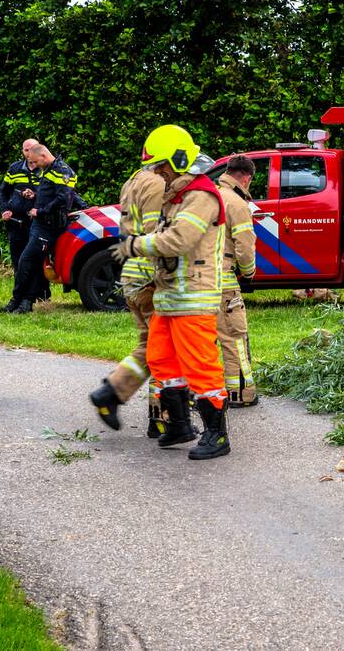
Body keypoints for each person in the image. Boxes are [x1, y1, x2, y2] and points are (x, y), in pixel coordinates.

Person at [107, 125, 231, 460]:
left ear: (178, 160)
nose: (157, 171)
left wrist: (135, 245)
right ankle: (178, 425)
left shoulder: (201, 197)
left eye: (161, 165)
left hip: (194, 296)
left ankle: (217, 435)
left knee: (201, 366)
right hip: (170, 296)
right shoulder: (176, 197)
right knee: (160, 359)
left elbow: (179, 240)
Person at [88, 166, 167, 436]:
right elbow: (155, 234)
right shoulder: (157, 183)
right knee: (163, 348)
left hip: (132, 272)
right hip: (148, 275)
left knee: (148, 345)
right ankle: (161, 418)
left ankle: (112, 392)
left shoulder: (134, 180)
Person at [4, 144, 76, 314]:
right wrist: (35, 196)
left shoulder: (63, 171)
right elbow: (50, 195)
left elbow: (63, 199)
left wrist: (40, 211)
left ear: (43, 156)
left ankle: (22, 300)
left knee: (27, 261)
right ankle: (22, 301)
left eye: (36, 162)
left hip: (49, 225)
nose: (35, 165)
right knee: (31, 262)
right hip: (40, 223)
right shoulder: (48, 169)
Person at [216, 156, 259, 407]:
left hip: (197, 283)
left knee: (202, 340)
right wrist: (248, 274)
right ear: (246, 177)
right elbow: (245, 247)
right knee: (235, 337)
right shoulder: (236, 203)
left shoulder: (208, 197)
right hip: (224, 283)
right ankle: (241, 393)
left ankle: (197, 394)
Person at [0, 138, 40, 275]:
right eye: (26, 150)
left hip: (38, 222)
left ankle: (39, 289)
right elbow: (3, 191)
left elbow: (52, 194)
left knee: (37, 262)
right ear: (22, 151)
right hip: (16, 223)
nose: (29, 153)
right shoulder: (15, 168)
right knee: (18, 261)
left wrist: (35, 195)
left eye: (32, 149)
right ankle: (20, 288)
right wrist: (5, 209)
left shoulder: (45, 168)